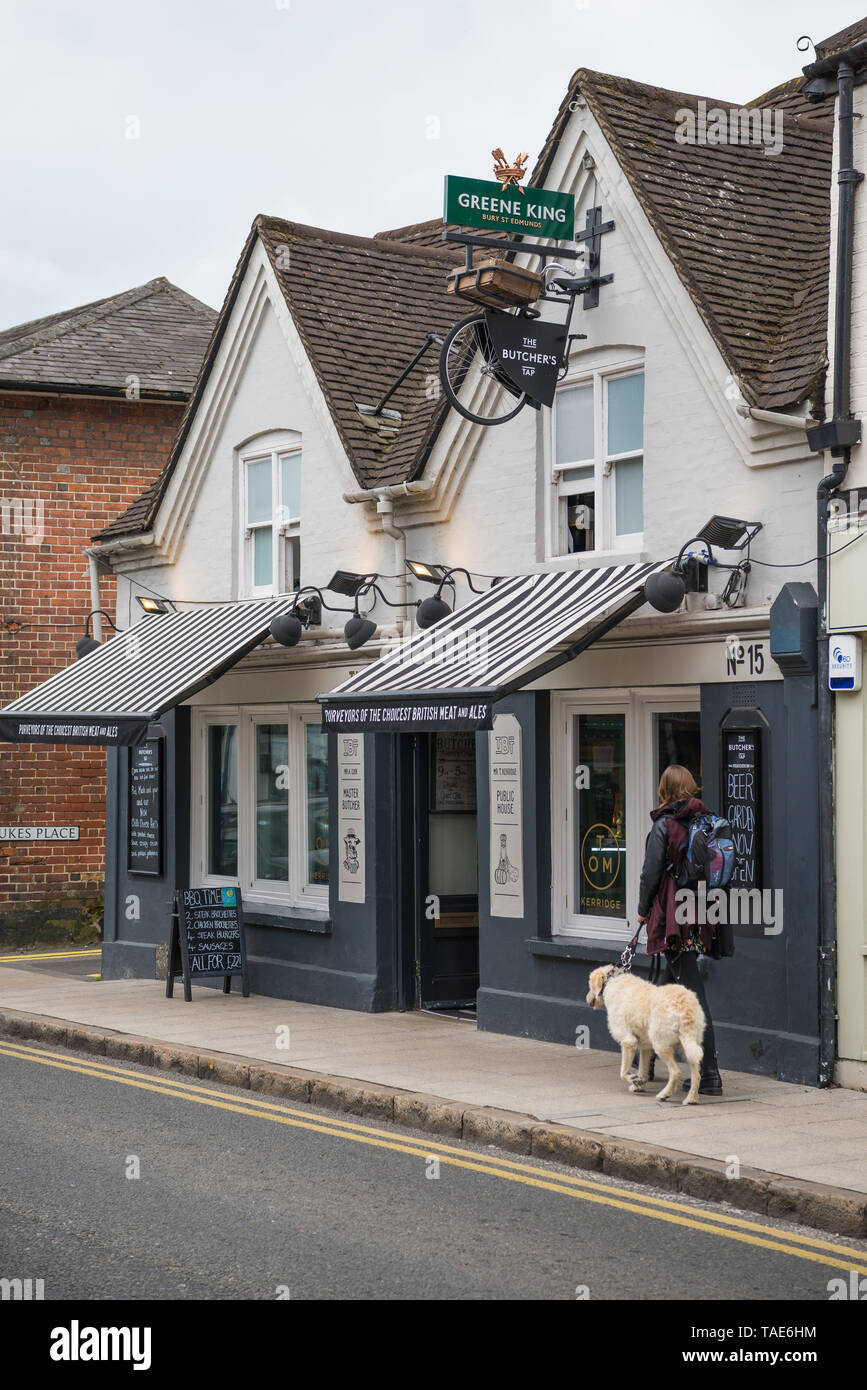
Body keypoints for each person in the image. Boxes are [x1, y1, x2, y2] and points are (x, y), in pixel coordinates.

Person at [636, 764, 723, 1096]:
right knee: (662, 992)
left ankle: (710, 1074)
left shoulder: (665, 825)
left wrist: (643, 912)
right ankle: (648, 1061)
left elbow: (650, 875)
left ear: (664, 790)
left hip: (674, 919)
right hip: (699, 915)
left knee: (693, 998)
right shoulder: (705, 821)